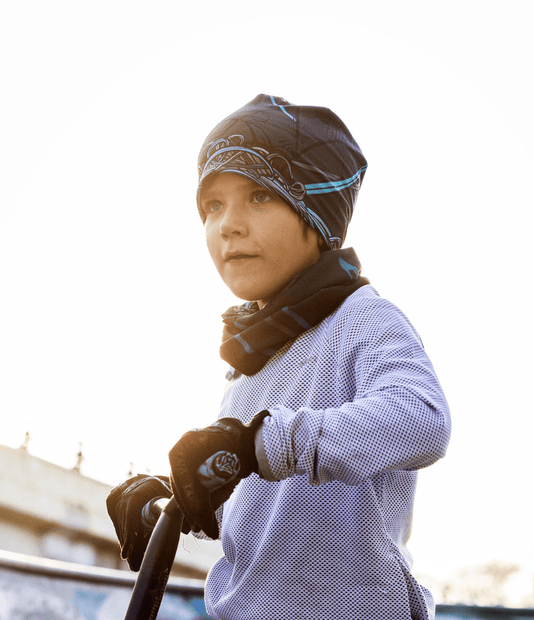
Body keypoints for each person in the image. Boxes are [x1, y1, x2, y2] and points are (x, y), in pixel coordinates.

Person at [107, 94, 451, 620]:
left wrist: (255, 443)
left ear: (318, 211)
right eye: (212, 206)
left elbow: (422, 421)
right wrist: (178, 494)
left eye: (259, 196)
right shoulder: (251, 361)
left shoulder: (363, 320)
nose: (228, 225)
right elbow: (266, 508)